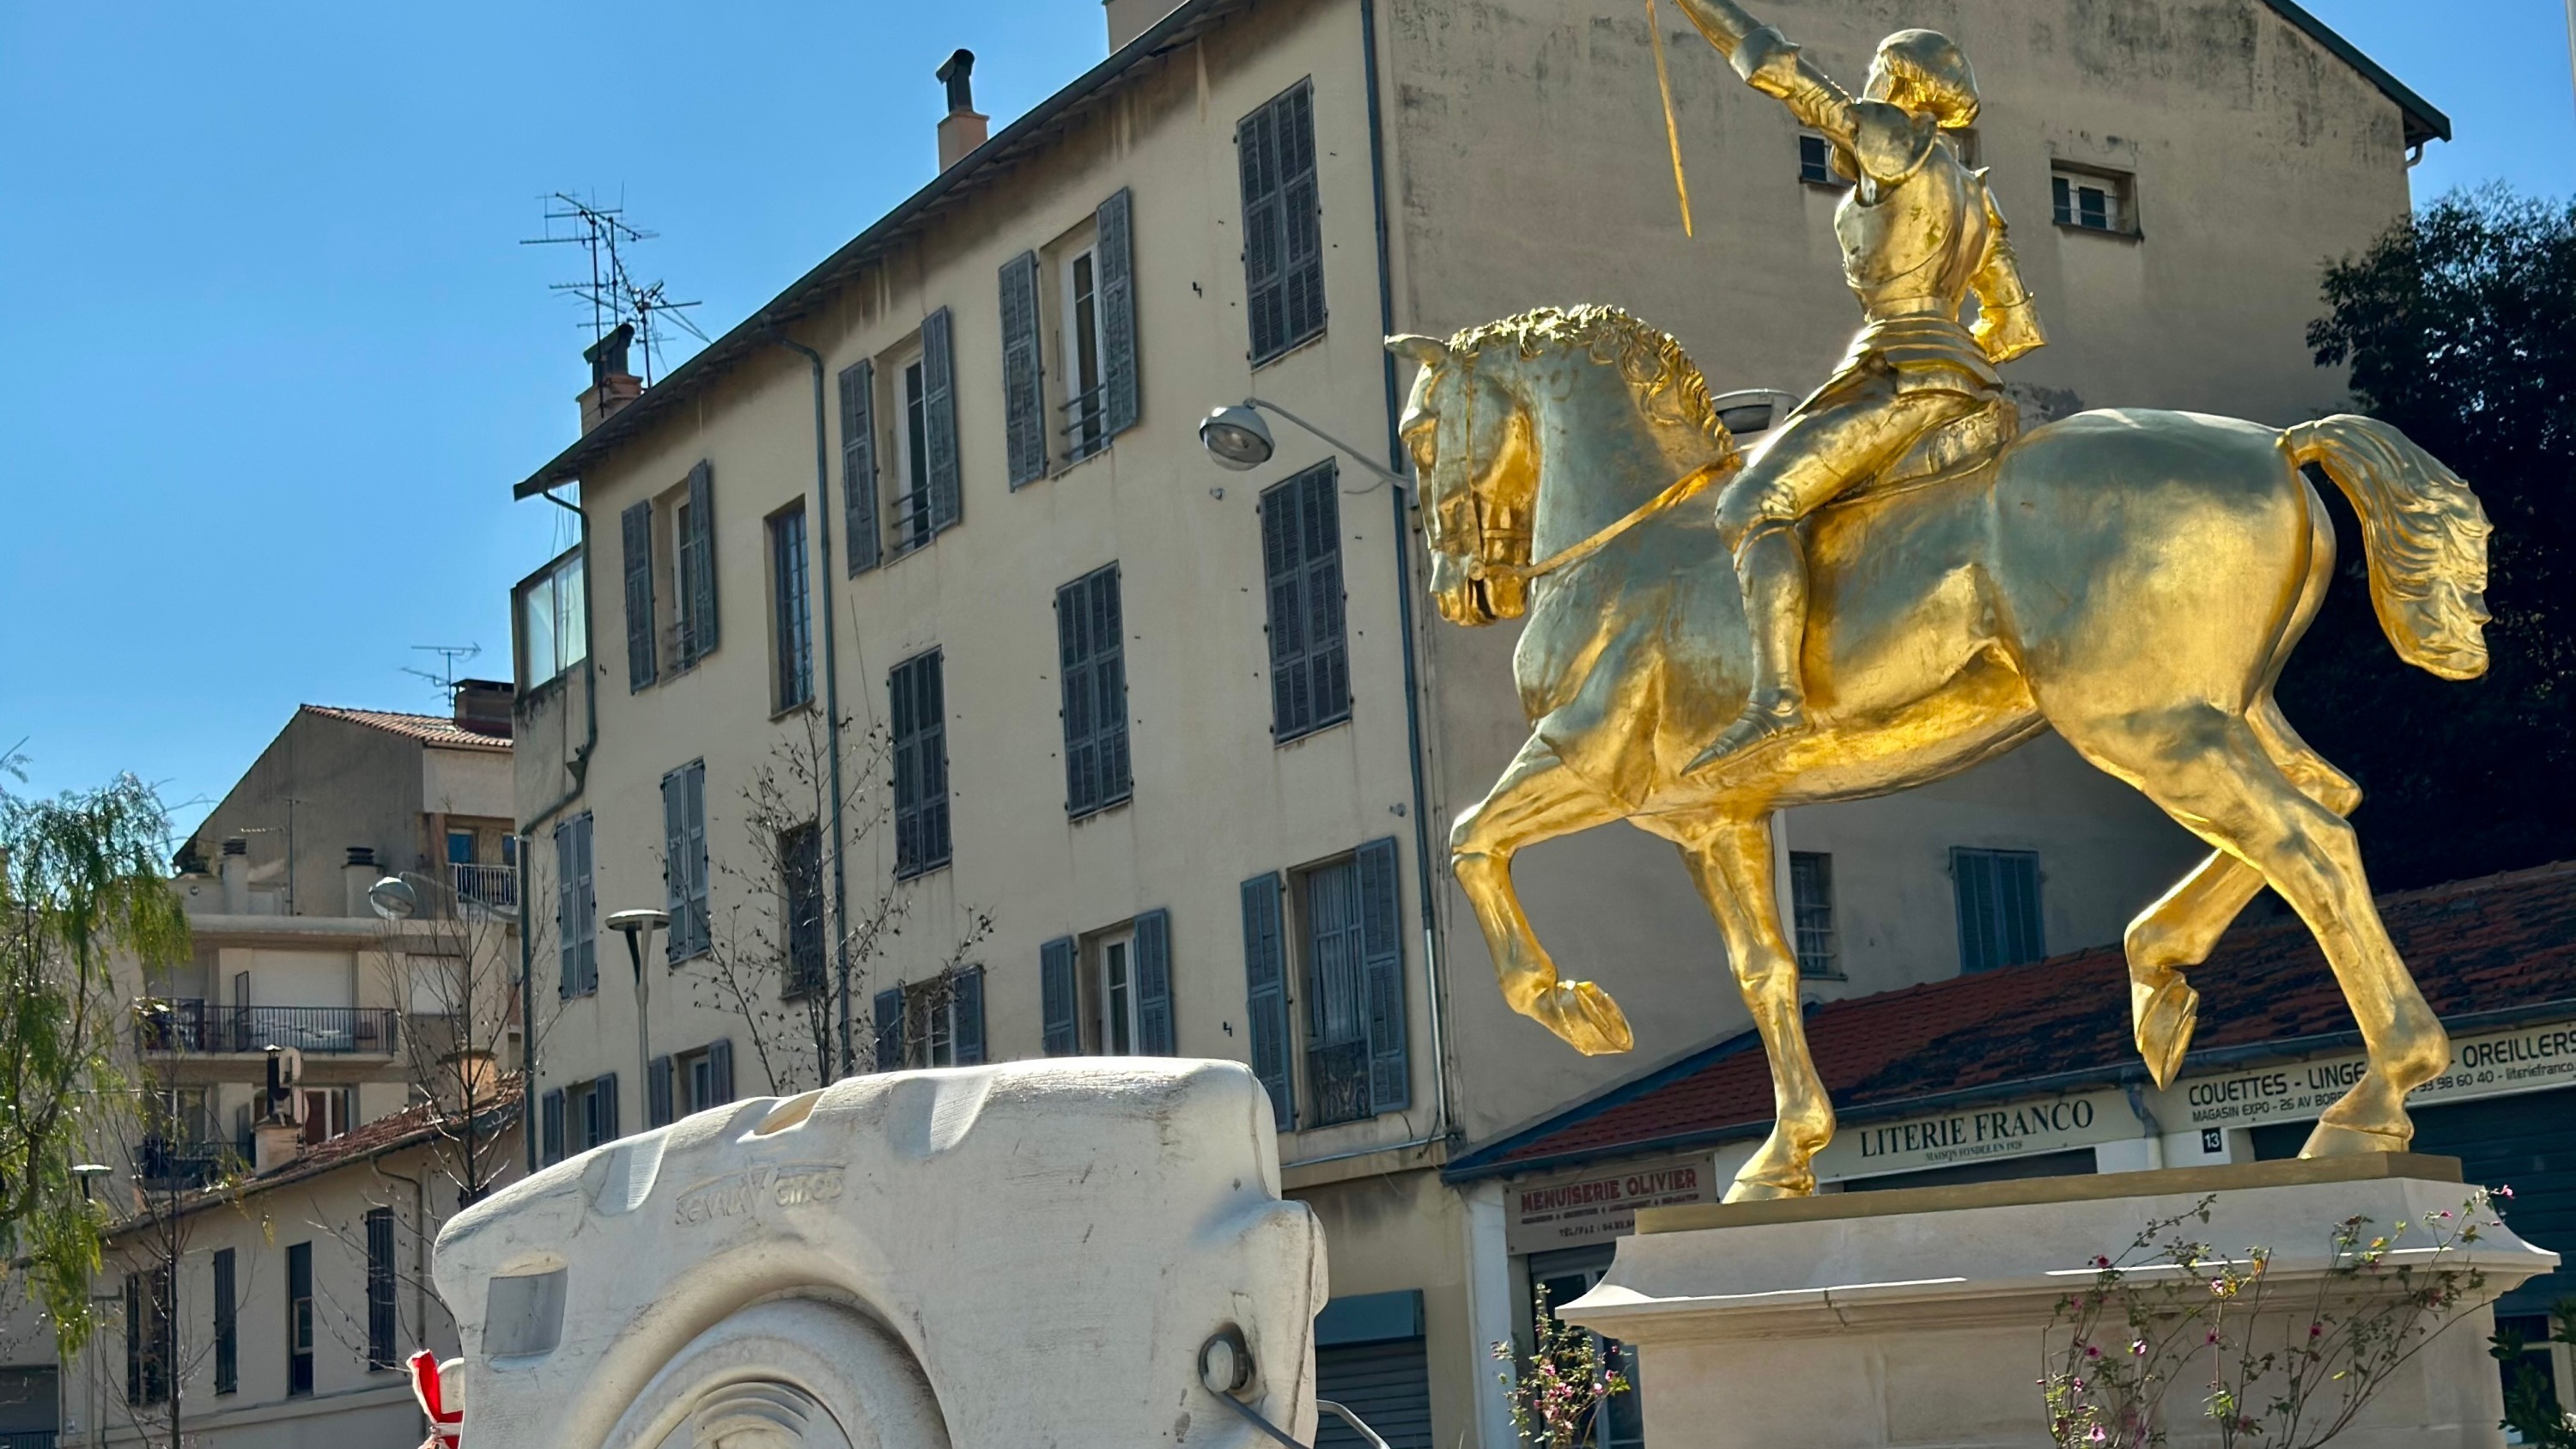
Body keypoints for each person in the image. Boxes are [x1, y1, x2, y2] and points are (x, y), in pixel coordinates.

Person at [1673, 1, 2045, 774]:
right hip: (1965, 382)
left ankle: (1776, 700)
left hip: (1896, 376)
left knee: (1751, 505)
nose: (1866, 85)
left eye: (1877, 72)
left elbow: (1781, 72)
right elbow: (2013, 328)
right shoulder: (1979, 195)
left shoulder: (1896, 143)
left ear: (1897, 82)